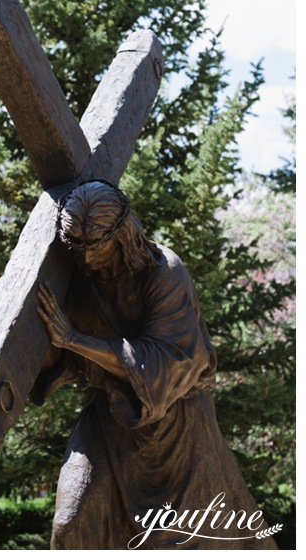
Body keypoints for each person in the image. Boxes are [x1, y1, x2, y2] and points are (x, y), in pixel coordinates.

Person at [34, 180, 275, 550]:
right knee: (71, 526)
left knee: (184, 542)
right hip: (107, 422)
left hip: (177, 430)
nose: (85, 258)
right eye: (76, 247)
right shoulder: (80, 277)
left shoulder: (165, 272)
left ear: (122, 233)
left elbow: (165, 361)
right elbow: (63, 356)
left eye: (94, 247)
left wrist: (74, 340)